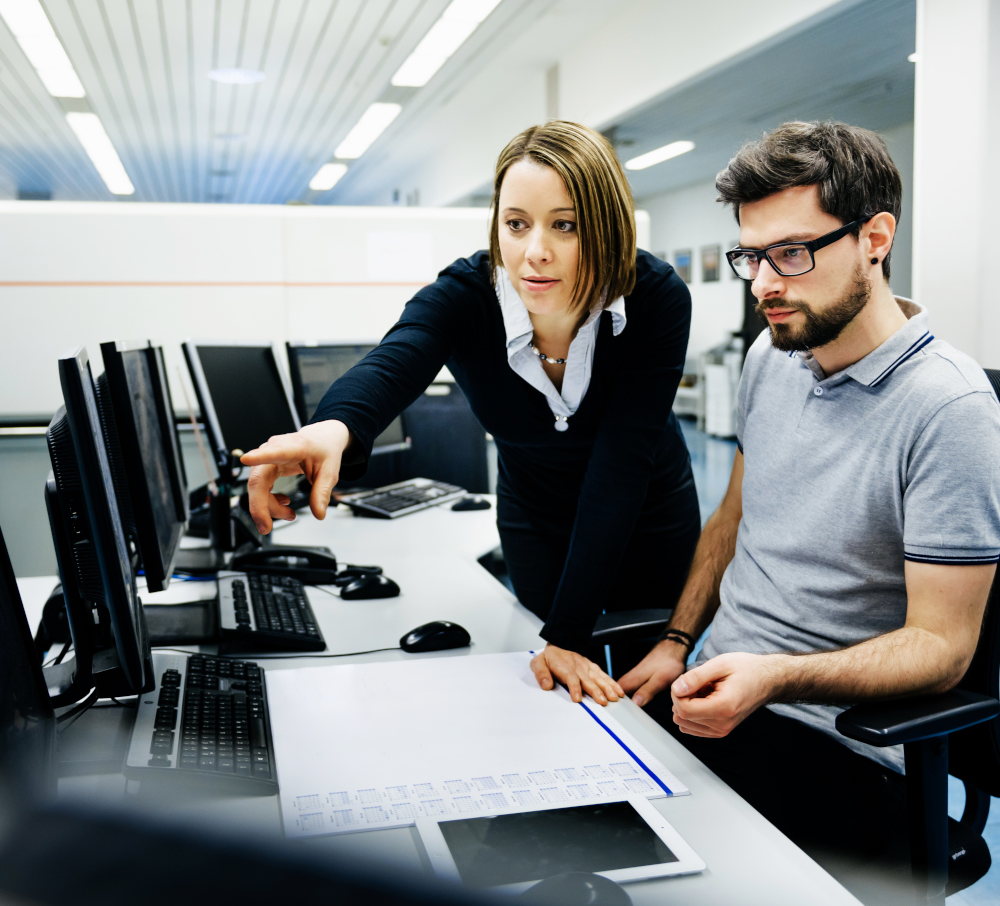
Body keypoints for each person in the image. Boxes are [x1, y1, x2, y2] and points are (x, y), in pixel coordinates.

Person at [619, 120, 1000, 866]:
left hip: (840, 745)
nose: (763, 284)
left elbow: (943, 650)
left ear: (876, 238)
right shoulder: (772, 353)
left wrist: (774, 678)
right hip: (715, 695)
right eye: (750, 257)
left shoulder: (949, 411)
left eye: (791, 253)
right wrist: (674, 641)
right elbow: (734, 515)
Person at [241, 121, 701, 705]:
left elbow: (621, 469)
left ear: (606, 226)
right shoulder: (466, 295)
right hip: (535, 515)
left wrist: (569, 633)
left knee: (644, 692)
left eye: (566, 225)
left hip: (645, 515)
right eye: (516, 224)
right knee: (554, 691)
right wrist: (333, 428)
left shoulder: (655, 298)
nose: (534, 251)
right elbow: (395, 358)